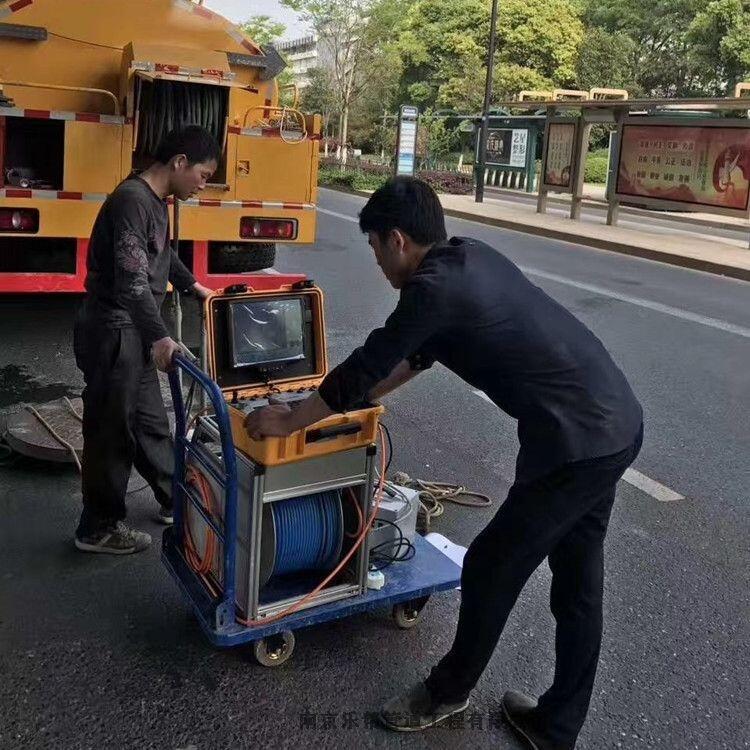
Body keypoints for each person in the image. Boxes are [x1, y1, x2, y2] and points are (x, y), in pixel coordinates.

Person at [244, 177, 643, 749]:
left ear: (398, 240)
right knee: (578, 582)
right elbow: (415, 356)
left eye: (377, 248)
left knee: (491, 566)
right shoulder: (467, 259)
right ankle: (556, 727)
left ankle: (446, 693)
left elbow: (370, 360)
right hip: (614, 422)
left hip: (574, 445)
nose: (379, 262)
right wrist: (364, 401)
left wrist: (289, 420)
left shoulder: (431, 290)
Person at [73, 126, 218, 555]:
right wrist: (161, 338)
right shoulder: (133, 200)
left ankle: (177, 498)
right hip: (113, 331)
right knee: (111, 431)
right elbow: (133, 280)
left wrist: (194, 286)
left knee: (151, 423)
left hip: (131, 331)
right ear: (179, 163)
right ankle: (97, 528)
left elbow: (161, 254)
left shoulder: (155, 202)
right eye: (204, 175)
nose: (203, 184)